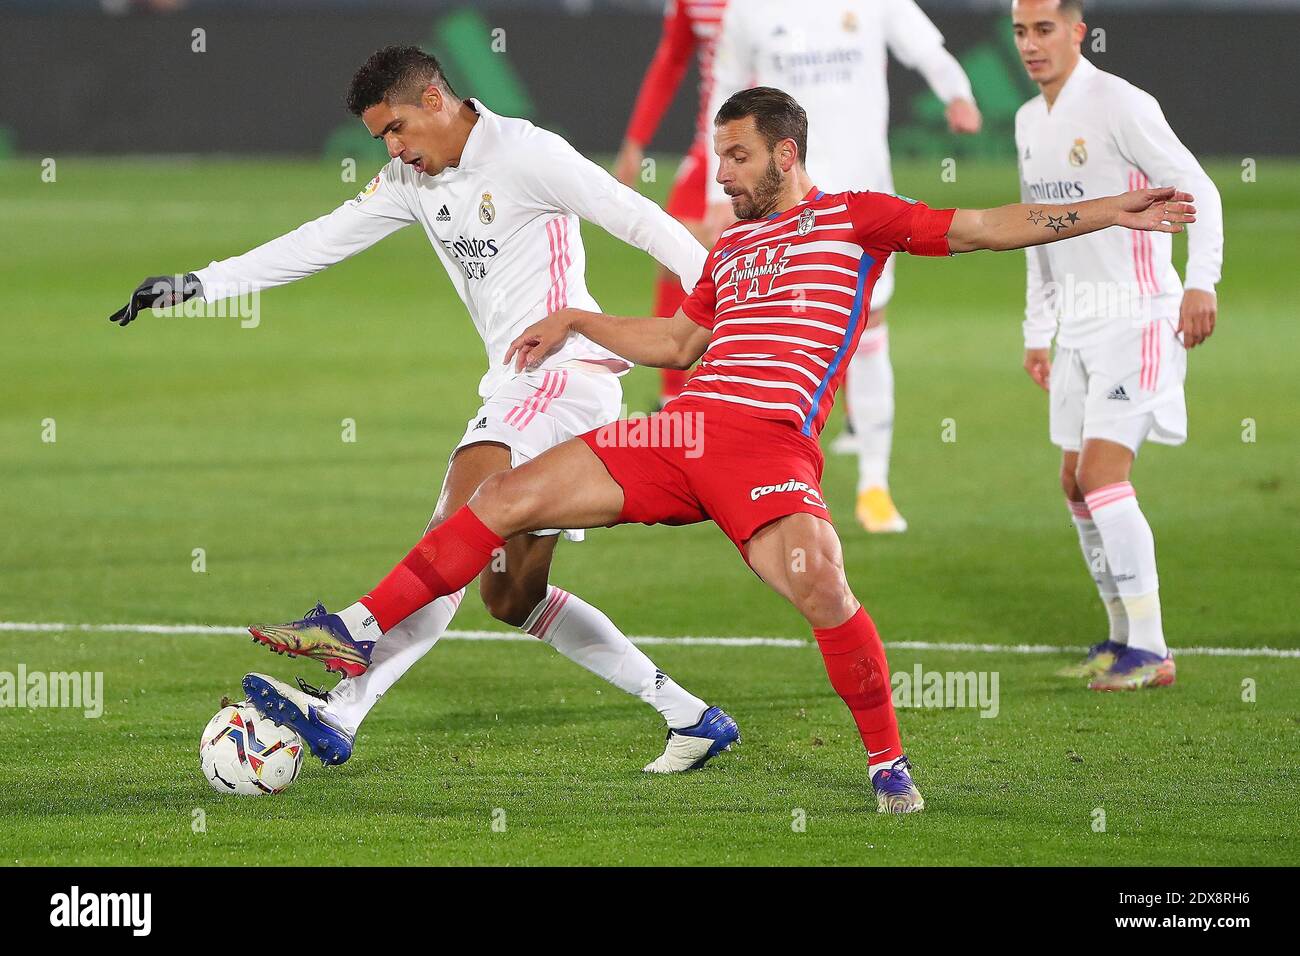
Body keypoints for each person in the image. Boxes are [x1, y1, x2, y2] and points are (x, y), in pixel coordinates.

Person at [245, 87, 1194, 812]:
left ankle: (888, 762)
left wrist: (1114, 209)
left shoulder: (856, 219)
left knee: (821, 582)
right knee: (503, 500)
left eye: (736, 158)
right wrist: (577, 319)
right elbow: (678, 346)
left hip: (766, 445)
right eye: (718, 158)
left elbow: (987, 227)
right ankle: (359, 627)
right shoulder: (729, 256)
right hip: (682, 430)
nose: (723, 175)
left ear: (786, 152)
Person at [107, 45, 738, 773]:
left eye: (398, 129)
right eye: (383, 138)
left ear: (436, 100)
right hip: (518, 384)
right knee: (510, 594)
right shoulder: (412, 179)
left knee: (460, 520)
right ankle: (689, 715)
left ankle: (345, 693)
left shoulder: (529, 153)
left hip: (565, 375)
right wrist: (200, 283)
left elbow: (641, 220)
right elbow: (320, 241)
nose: (395, 149)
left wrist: (725, 308)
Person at [705, 0, 983, 532]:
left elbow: (926, 47)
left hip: (862, 202)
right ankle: (773, 481)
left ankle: (873, 486)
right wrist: (712, 188)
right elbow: (723, 93)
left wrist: (957, 93)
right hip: (782, 201)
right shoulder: (749, 11)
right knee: (779, 332)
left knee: (870, 327)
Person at [1011, 0, 1223, 691]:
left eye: (1045, 29)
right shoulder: (1026, 121)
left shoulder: (1120, 103)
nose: (1031, 44)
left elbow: (1201, 189)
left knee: (1103, 475)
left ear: (1076, 31)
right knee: (1073, 482)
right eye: (1020, 31)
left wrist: (1201, 283)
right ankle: (1120, 635)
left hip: (1138, 320)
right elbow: (1038, 232)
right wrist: (1037, 330)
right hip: (1076, 330)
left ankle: (1153, 651)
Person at [613, 0, 730, 410]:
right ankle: (674, 399)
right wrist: (636, 139)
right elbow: (672, 58)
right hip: (713, 144)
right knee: (671, 248)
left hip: (780, 142)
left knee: (816, 253)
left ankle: (852, 408)